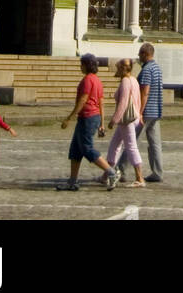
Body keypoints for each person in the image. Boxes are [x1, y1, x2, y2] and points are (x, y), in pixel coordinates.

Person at [61, 54, 121, 190]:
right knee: (75, 149)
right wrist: (102, 123)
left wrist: (69, 118)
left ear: (87, 65)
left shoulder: (87, 80)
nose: (80, 66)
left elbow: (83, 100)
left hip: (87, 118)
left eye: (81, 64)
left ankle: (111, 172)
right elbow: (101, 102)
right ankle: (72, 181)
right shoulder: (98, 81)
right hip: (93, 117)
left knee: (87, 148)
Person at [106, 58, 145, 188]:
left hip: (125, 120)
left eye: (118, 68)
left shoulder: (125, 81)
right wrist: (139, 115)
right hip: (132, 118)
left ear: (122, 68)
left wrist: (113, 120)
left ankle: (139, 178)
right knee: (114, 145)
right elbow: (138, 99)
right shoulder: (134, 80)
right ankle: (106, 174)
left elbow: (122, 104)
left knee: (131, 147)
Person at [138, 42, 164, 182]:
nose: (138, 56)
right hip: (156, 111)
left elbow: (145, 92)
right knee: (155, 144)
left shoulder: (147, 69)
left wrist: (140, 111)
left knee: (132, 142)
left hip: (147, 111)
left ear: (145, 54)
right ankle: (157, 172)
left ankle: (121, 170)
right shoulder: (157, 68)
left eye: (140, 53)